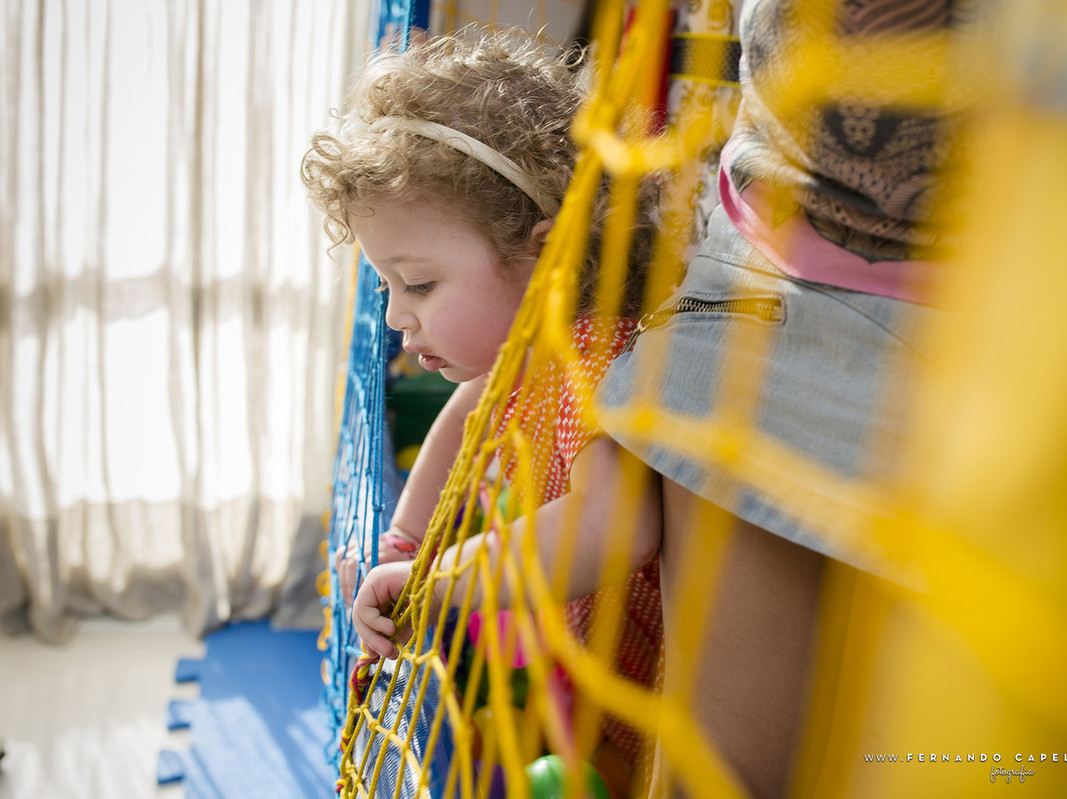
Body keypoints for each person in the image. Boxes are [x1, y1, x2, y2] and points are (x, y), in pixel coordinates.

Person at [592, 0, 976, 796]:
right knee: (723, 770)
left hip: (1002, 325)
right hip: (772, 290)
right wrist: (433, 565)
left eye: (418, 283)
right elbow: (602, 523)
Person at [301, 25, 665, 783]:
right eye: (386, 286)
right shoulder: (523, 353)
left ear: (543, 252)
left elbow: (616, 521)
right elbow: (467, 408)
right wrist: (403, 542)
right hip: (585, 645)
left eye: (420, 284)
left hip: (658, 685)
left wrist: (437, 580)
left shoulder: (598, 356)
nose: (398, 316)